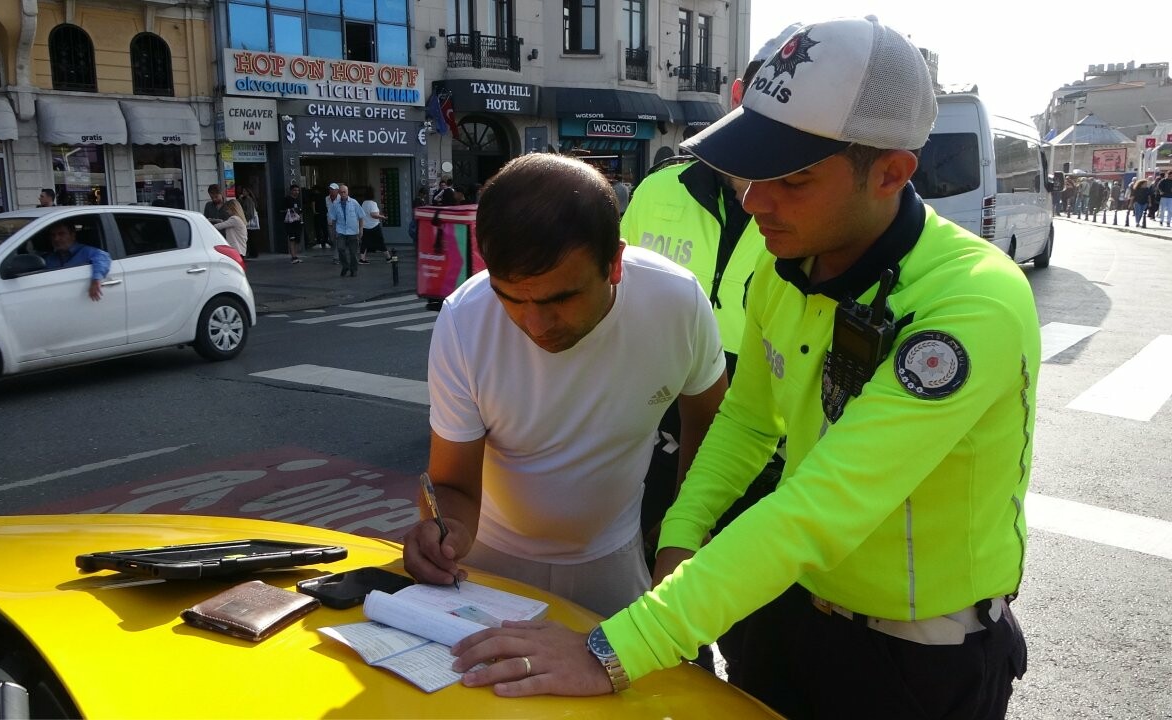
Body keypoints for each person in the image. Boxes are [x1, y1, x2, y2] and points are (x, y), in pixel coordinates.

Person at [453, 18, 1037, 720]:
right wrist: (678, 536)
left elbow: (823, 506)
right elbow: (749, 420)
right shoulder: (783, 268)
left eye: (792, 179)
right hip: (781, 614)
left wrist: (614, 649)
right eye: (752, 170)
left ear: (890, 173)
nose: (756, 201)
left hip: (917, 660)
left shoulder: (974, 300)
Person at [401, 153, 727, 618]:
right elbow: (453, 485)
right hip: (488, 561)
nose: (535, 324)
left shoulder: (677, 302)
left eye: (561, 298)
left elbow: (711, 423)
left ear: (614, 262)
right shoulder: (464, 320)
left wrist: (685, 526)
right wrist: (442, 530)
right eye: (509, 297)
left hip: (612, 555)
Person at [620, 20, 800, 678]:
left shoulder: (805, 220)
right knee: (670, 628)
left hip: (769, 432)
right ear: (734, 95)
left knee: (758, 636)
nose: (761, 197)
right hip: (665, 417)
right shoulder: (657, 190)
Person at [42, 220, 112, 301]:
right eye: (53, 235)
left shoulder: (86, 252)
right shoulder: (49, 258)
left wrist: (96, 280)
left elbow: (103, 257)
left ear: (73, 235)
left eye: (61, 234)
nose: (56, 239)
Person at [329, 184, 365, 277]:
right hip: (341, 231)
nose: (343, 194)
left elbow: (361, 217)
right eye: (341, 192)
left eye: (344, 192)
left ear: (348, 192)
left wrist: (361, 229)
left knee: (353, 253)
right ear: (338, 193)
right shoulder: (335, 205)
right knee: (341, 249)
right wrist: (333, 232)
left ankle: (354, 269)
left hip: (353, 231)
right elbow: (334, 219)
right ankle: (345, 266)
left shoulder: (354, 202)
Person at [359, 189, 388, 263]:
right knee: (380, 241)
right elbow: (373, 215)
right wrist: (382, 217)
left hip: (365, 226)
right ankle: (388, 257)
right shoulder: (373, 203)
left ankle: (362, 259)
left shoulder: (364, 203)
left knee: (364, 243)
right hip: (374, 226)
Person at [282, 184, 305, 263]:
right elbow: (282, 209)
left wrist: (301, 221)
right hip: (289, 222)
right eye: (295, 190)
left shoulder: (298, 200)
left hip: (297, 222)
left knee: (297, 239)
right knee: (292, 239)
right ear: (291, 191)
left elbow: (300, 211)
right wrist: (290, 210)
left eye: (298, 190)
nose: (296, 192)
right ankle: (293, 256)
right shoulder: (287, 199)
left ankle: (296, 255)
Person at [237, 186, 259, 258]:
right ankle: (252, 253)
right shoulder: (246, 199)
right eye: (242, 191)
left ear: (248, 192)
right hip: (250, 220)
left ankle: (253, 253)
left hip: (250, 221)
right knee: (251, 237)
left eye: (244, 191)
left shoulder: (249, 200)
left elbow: (249, 212)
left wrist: (245, 219)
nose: (243, 193)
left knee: (251, 237)